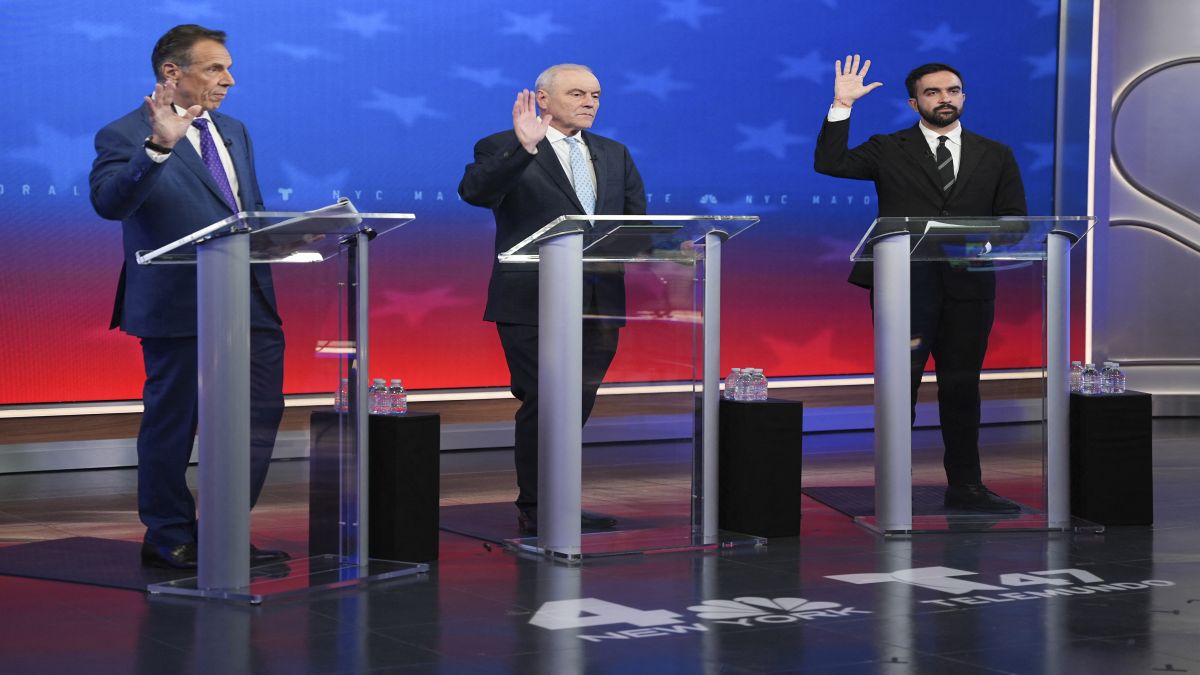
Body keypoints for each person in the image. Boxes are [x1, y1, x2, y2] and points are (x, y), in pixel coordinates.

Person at [90, 24, 290, 567]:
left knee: (258, 415)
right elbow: (110, 204)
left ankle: (224, 531)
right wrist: (157, 148)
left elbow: (247, 212)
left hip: (249, 299)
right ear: (171, 73)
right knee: (174, 423)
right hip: (178, 303)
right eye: (215, 68)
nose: (229, 79)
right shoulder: (125, 133)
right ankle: (168, 535)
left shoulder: (234, 131)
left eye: (227, 68)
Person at [814, 56, 1028, 513]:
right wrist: (841, 105)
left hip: (968, 288)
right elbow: (829, 163)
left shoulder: (996, 153)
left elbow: (1015, 220)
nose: (944, 99)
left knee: (962, 387)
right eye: (933, 92)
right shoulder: (889, 147)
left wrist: (983, 244)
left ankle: (967, 487)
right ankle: (895, 485)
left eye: (952, 90)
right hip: (902, 286)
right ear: (914, 102)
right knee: (899, 386)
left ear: (963, 96)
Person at [459, 64, 647, 534]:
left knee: (578, 402)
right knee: (544, 400)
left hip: (599, 301)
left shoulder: (613, 153)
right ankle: (538, 505)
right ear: (542, 99)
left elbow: (635, 222)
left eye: (596, 95)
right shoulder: (501, 143)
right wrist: (522, 147)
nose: (590, 102)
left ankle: (560, 498)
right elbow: (476, 192)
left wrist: (671, 248)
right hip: (531, 300)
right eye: (578, 93)